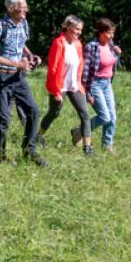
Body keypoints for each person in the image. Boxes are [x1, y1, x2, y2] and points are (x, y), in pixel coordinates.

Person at [0, 0, 46, 166]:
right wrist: (16, 63)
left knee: (33, 112)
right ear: (11, 8)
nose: (26, 9)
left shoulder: (23, 23)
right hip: (2, 76)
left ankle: (29, 151)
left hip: (18, 77)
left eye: (26, 5)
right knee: (3, 119)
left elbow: (21, 44)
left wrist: (31, 56)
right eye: (22, 6)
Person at [40, 15, 93, 156]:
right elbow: (52, 68)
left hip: (74, 85)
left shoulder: (78, 44)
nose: (79, 32)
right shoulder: (59, 43)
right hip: (59, 85)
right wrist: (55, 90)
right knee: (54, 113)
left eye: (80, 30)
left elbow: (80, 65)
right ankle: (38, 135)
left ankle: (87, 148)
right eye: (76, 29)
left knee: (85, 114)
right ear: (68, 27)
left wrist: (81, 85)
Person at [83, 17, 122, 154]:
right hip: (95, 84)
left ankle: (107, 145)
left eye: (112, 33)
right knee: (104, 116)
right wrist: (87, 92)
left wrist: (117, 54)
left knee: (112, 117)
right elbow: (86, 71)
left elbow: (111, 63)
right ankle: (80, 131)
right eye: (109, 33)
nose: (111, 36)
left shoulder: (110, 45)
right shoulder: (92, 47)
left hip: (107, 84)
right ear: (100, 32)